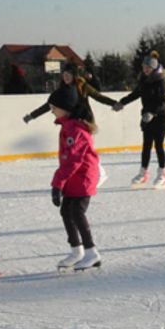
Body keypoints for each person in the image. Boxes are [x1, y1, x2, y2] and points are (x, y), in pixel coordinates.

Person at [48, 85, 102, 270]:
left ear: (66, 108)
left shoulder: (75, 131)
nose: (52, 111)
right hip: (74, 178)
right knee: (66, 211)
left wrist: (57, 184)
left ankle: (91, 252)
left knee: (77, 212)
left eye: (54, 107)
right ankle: (76, 250)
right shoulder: (68, 128)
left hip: (83, 178)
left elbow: (72, 161)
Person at [115, 51, 165, 188]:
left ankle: (163, 174)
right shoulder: (143, 81)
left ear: (153, 68)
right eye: (144, 67)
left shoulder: (160, 82)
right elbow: (135, 94)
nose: (145, 70)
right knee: (146, 146)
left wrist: (152, 113)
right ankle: (143, 173)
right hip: (147, 118)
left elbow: (162, 102)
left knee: (159, 146)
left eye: (148, 68)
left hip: (160, 118)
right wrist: (122, 102)